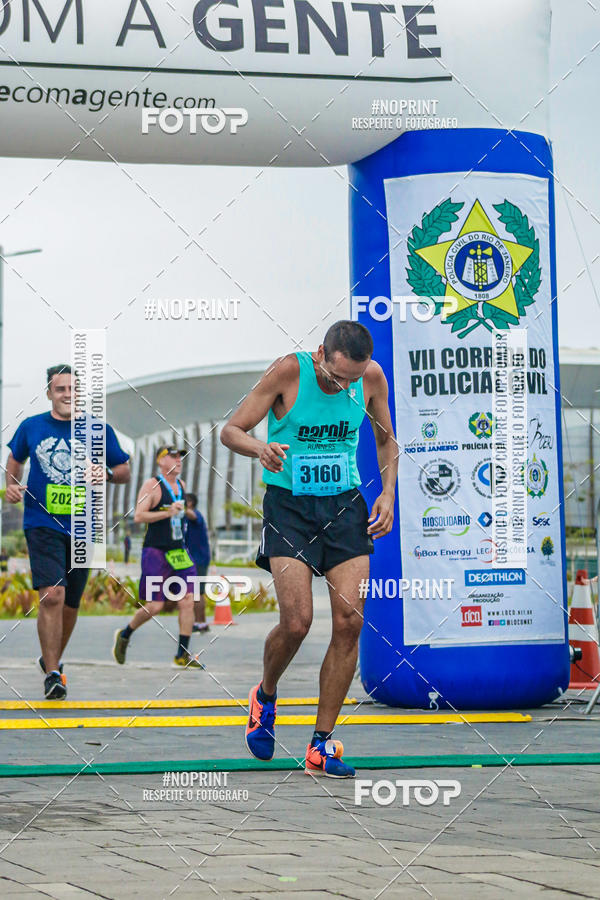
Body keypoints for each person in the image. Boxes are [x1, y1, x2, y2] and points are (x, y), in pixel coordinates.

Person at [220, 321, 397, 778]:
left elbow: (385, 440)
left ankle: (321, 744)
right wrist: (260, 448)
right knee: (297, 622)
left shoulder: (371, 378)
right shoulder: (287, 372)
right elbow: (231, 430)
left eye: (352, 380)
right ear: (321, 353)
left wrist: (388, 493)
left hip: (344, 506)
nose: (345, 386)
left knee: (350, 620)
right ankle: (265, 694)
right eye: (338, 378)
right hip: (290, 508)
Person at [5, 364, 130, 699]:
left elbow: (124, 470)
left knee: (71, 603)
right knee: (52, 596)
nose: (67, 395)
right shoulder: (31, 427)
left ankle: (52, 663)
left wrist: (103, 472)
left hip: (84, 527)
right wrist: (11, 485)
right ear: (49, 393)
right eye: (60, 389)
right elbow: (15, 460)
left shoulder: (98, 430)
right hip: (42, 523)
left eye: (73, 389)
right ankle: (53, 673)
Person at [112, 446, 204, 669]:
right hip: (155, 551)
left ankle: (182, 654)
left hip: (179, 551)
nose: (178, 460)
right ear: (160, 461)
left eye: (180, 456)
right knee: (155, 606)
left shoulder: (181, 486)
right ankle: (125, 634)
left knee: (188, 600)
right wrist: (167, 512)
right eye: (173, 456)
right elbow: (139, 516)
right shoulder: (151, 485)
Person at [183, 493, 211, 634]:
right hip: (192, 559)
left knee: (198, 592)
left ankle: (201, 623)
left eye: (185, 501)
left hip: (200, 559)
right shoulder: (185, 519)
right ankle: (199, 622)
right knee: (194, 592)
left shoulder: (196, 515)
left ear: (191, 503)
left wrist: (180, 508)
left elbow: (193, 516)